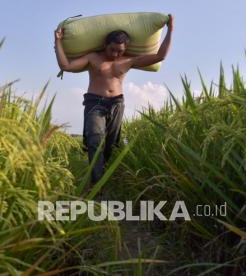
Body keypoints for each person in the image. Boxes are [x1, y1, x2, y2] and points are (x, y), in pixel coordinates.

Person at [54, 14, 174, 195]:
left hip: (117, 104)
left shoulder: (129, 60)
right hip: (95, 102)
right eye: (112, 49)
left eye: (120, 50)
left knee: (110, 145)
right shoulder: (93, 57)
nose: (116, 54)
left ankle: (104, 178)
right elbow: (66, 66)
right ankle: (95, 186)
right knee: (95, 140)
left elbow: (160, 56)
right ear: (105, 45)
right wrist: (58, 42)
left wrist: (171, 28)